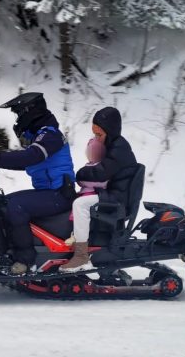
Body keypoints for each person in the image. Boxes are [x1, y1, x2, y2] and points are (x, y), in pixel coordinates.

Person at [0, 92, 76, 275]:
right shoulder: (41, 135)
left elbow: (33, 156)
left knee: (15, 206)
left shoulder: (50, 135)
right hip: (49, 193)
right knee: (1, 203)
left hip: (59, 194)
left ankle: (25, 260)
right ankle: (4, 251)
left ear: (30, 112)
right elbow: (31, 162)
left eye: (19, 114)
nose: (18, 120)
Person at [60, 106, 137, 272]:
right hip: (112, 194)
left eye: (100, 135)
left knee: (80, 204)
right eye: (95, 134)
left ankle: (81, 256)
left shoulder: (119, 149)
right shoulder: (114, 145)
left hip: (117, 199)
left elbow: (100, 173)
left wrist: (79, 174)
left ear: (111, 131)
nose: (97, 139)